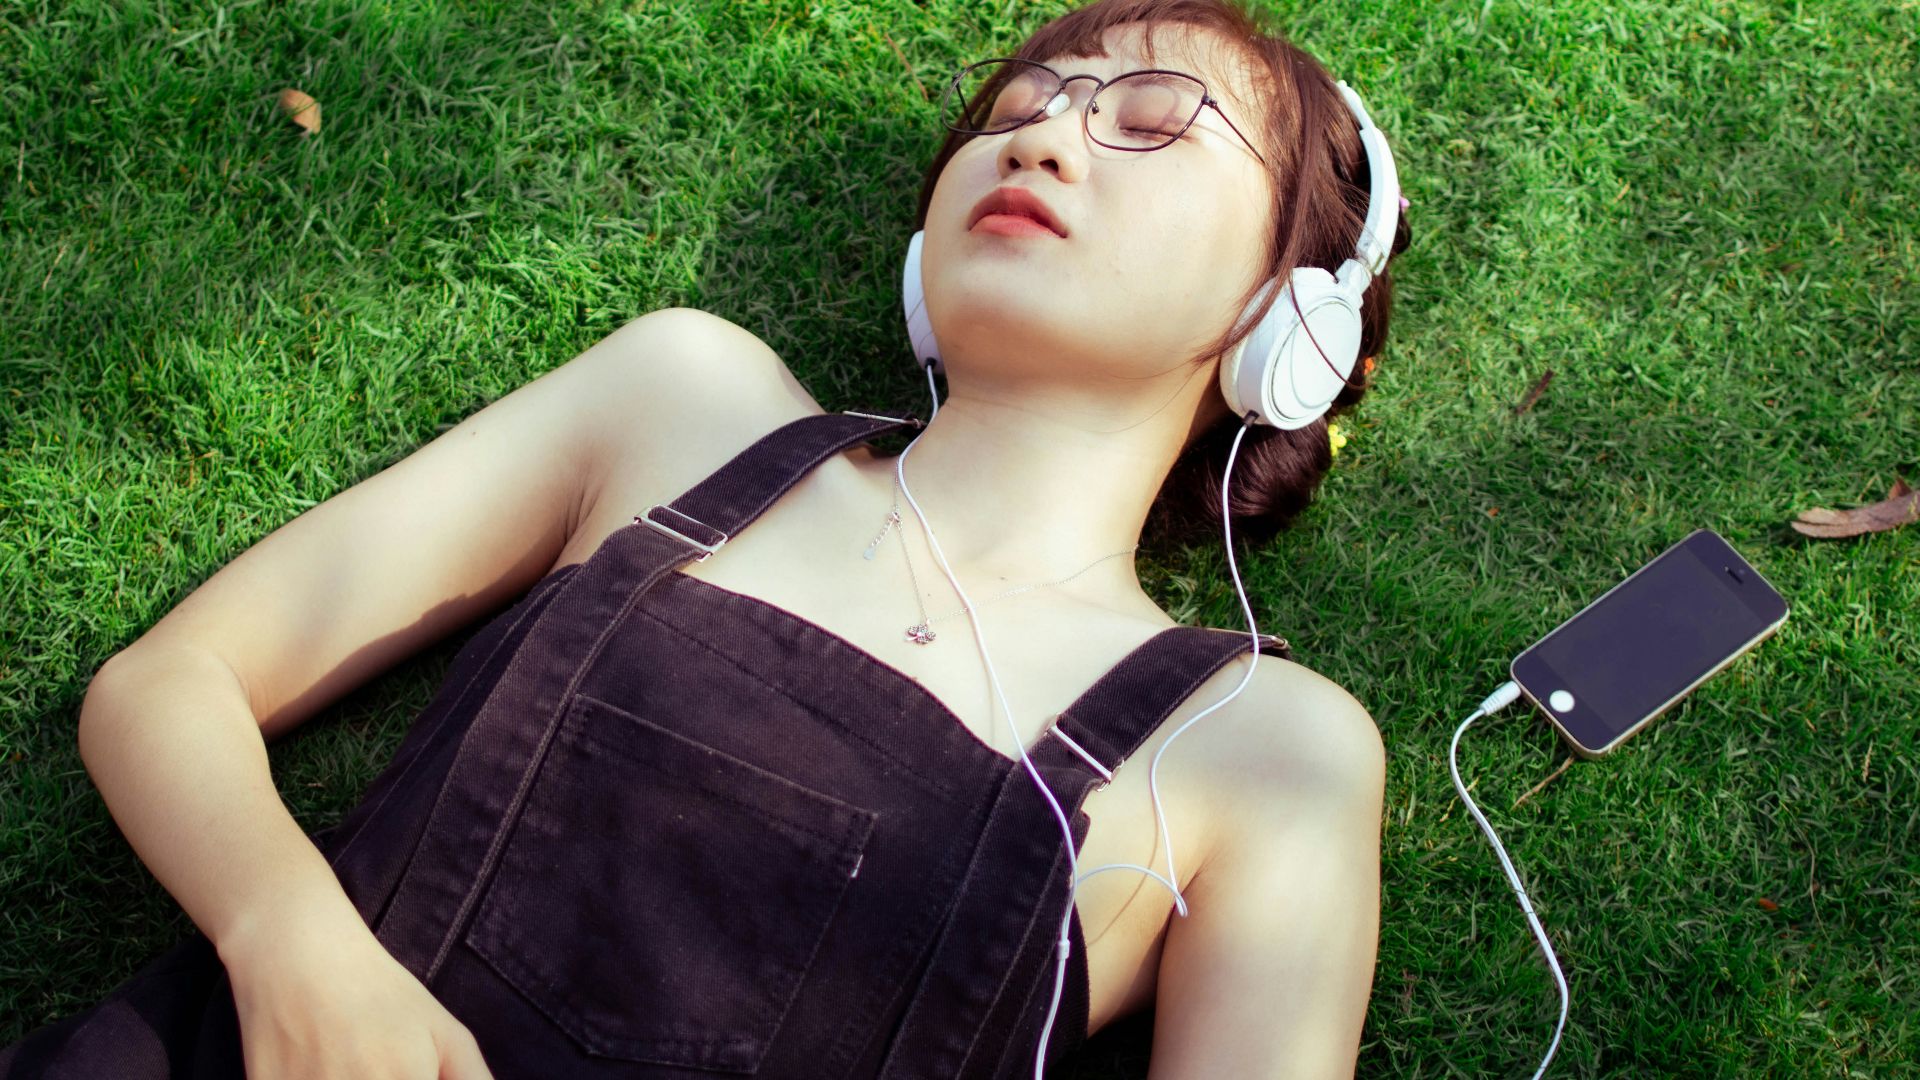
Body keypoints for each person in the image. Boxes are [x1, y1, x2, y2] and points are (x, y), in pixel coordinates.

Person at [1, 0, 1408, 1076]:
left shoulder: (1268, 749)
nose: (1040, 135)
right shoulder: (687, 404)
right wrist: (290, 945)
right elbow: (168, 688)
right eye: (1023, 105)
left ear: (1289, 322)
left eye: (1153, 123)